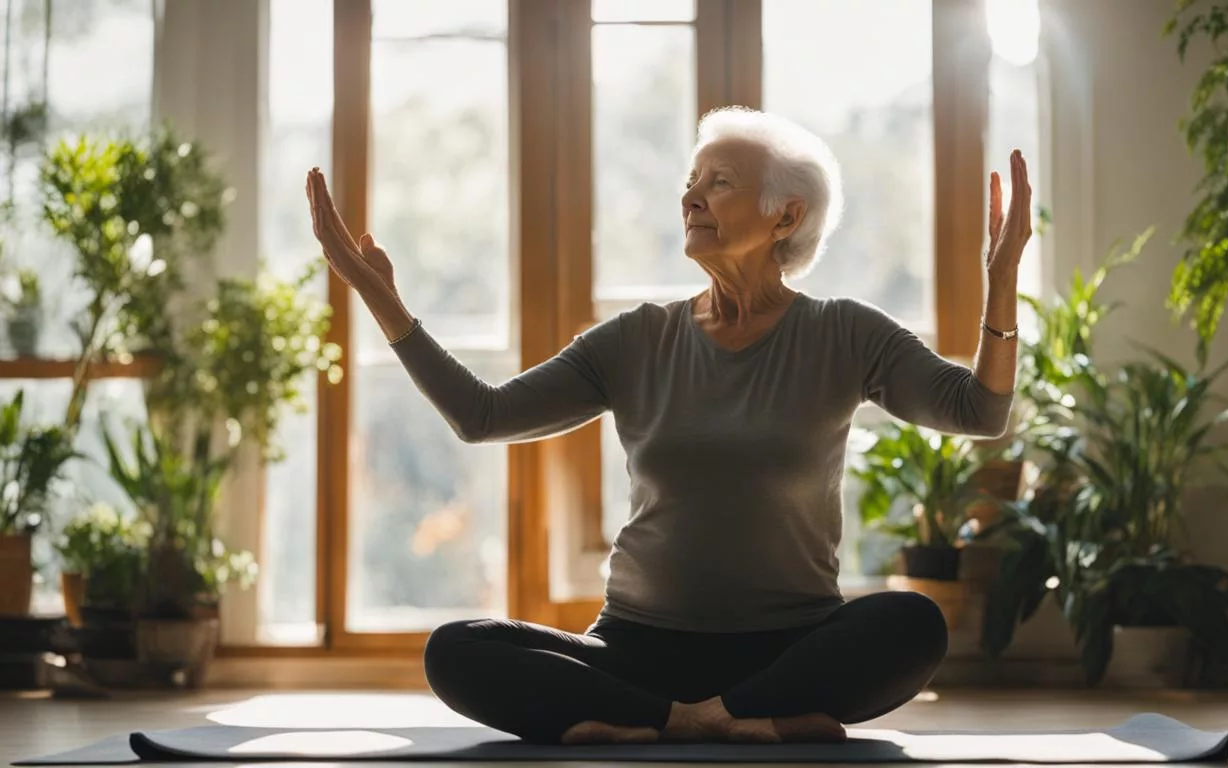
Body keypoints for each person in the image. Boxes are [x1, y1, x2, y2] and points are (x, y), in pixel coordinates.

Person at [305, 106, 1031, 746]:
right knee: (456, 650)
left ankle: (655, 718)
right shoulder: (634, 341)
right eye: (690, 179)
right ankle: (717, 719)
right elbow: (481, 415)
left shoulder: (846, 334)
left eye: (718, 181)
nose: (690, 196)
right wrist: (382, 300)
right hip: (636, 648)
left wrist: (1000, 286)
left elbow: (980, 411)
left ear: (786, 215)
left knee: (913, 625)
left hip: (791, 645)